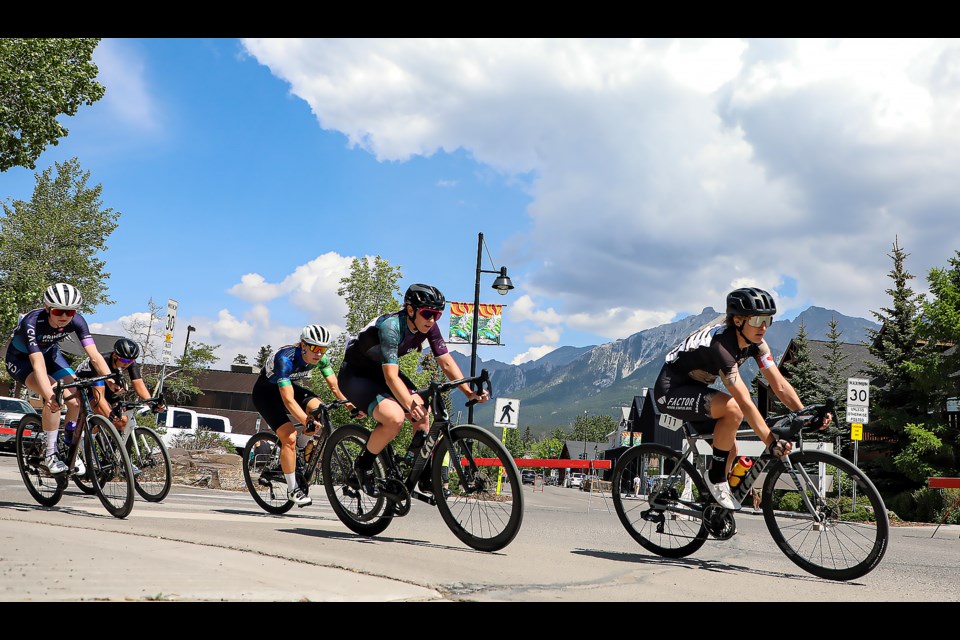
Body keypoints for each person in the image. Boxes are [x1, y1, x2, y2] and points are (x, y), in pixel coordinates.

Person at [653, 287, 830, 511]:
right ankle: (716, 479)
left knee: (730, 450)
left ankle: (712, 508)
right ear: (738, 320)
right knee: (733, 408)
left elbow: (780, 385)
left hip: (696, 389)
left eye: (768, 320)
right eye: (757, 320)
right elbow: (745, 402)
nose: (763, 327)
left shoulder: (757, 344)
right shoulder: (722, 346)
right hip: (671, 391)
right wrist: (771, 442)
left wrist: (806, 413)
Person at [337, 283, 489, 496]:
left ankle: (422, 475)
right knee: (395, 418)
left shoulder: (429, 327)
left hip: (381, 371)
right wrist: (408, 404)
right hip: (355, 375)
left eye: (437, 314)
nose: (432, 319)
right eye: (427, 313)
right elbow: (391, 377)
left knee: (423, 416)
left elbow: (446, 362)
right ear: (410, 310)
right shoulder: (391, 327)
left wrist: (469, 392)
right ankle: (363, 467)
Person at [3, 283, 115, 475]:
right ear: (47, 309)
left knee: (76, 399)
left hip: (51, 355)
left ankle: (68, 445)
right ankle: (50, 454)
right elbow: (37, 363)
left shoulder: (78, 321)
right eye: (58, 311)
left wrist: (111, 379)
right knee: (54, 396)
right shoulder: (32, 321)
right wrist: (50, 395)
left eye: (70, 312)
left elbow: (94, 355)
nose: (64, 317)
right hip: (23, 360)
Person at [251, 324, 355, 507]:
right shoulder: (285, 359)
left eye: (323, 349)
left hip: (290, 389)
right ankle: (293, 489)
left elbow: (334, 386)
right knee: (289, 436)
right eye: (314, 348)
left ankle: (301, 446)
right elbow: (288, 399)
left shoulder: (321, 359)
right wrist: (305, 420)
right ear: (303, 345)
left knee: (321, 410)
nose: (319, 353)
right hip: (266, 394)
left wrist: (350, 405)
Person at [75, 337, 166, 434]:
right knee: (101, 412)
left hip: (108, 385)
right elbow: (99, 397)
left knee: (123, 422)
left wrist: (151, 403)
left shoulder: (130, 363)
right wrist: (110, 415)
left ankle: (115, 445)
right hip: (86, 383)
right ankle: (87, 441)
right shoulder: (102, 361)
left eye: (130, 361)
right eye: (124, 360)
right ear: (115, 355)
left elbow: (139, 385)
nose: (127, 364)